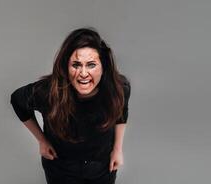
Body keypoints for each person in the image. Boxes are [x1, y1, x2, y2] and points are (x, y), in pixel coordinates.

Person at [10, 27, 131, 184]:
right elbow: (17, 100)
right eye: (76, 65)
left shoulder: (118, 88)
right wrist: (42, 140)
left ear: (104, 67)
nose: (83, 73)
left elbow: (121, 111)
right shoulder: (47, 92)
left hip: (101, 167)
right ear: (66, 67)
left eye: (91, 65)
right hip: (61, 169)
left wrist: (117, 150)